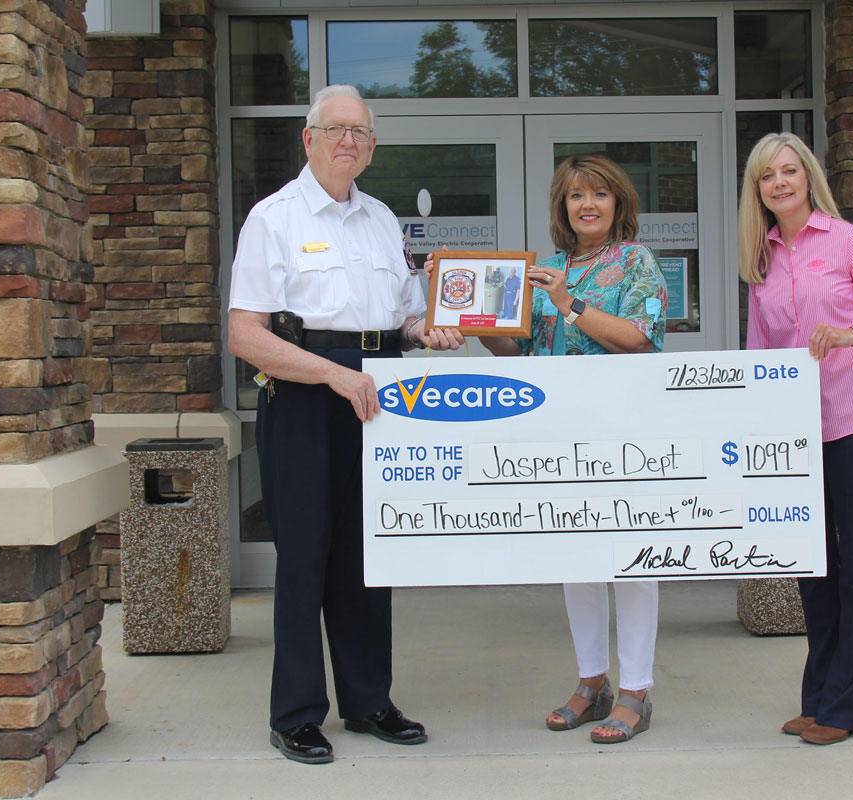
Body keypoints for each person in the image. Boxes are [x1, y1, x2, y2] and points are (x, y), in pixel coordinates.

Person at [228, 84, 463, 765]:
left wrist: (430, 332)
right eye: (335, 130)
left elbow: (404, 319)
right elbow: (246, 334)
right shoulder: (272, 218)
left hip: (379, 395)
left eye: (360, 133)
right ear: (308, 139)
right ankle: (297, 713)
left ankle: (368, 701)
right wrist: (330, 373)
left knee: (368, 556)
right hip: (306, 394)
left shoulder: (384, 220)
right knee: (305, 558)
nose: (348, 142)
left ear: (372, 146)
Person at [428, 154, 667, 743]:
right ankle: (593, 683)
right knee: (576, 557)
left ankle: (636, 689)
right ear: (563, 207)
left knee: (632, 558)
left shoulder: (636, 261)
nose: (587, 204)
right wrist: (466, 306)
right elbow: (517, 353)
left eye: (599, 194)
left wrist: (569, 304)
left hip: (623, 431)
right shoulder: (546, 268)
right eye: (576, 195)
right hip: (559, 432)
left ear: (618, 203)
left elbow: (639, 340)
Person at [737, 132, 853, 746]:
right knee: (814, 566)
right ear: (756, 191)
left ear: (808, 177)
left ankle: (848, 705)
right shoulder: (760, 259)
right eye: (766, 176)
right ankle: (818, 697)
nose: (779, 183)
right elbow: (761, 349)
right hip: (796, 431)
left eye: (789, 171)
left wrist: (849, 335)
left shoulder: (850, 241)